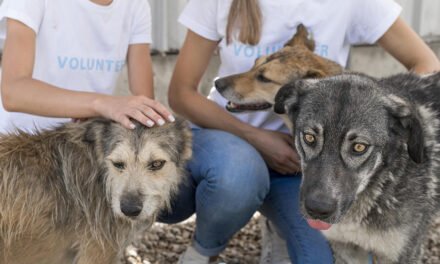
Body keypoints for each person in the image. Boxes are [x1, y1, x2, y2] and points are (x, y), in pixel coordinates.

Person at [160, 0, 440, 263]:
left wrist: (375, 112)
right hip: (230, 148)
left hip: (305, 162)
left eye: (263, 77)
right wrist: (258, 138)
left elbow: (428, 65)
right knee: (238, 174)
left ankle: (279, 223)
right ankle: (203, 250)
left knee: (321, 256)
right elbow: (180, 93)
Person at [0, 0, 174, 135]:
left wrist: (114, 110)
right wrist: (101, 104)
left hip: (85, 146)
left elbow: (143, 103)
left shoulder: (136, 5)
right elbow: (13, 92)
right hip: (20, 148)